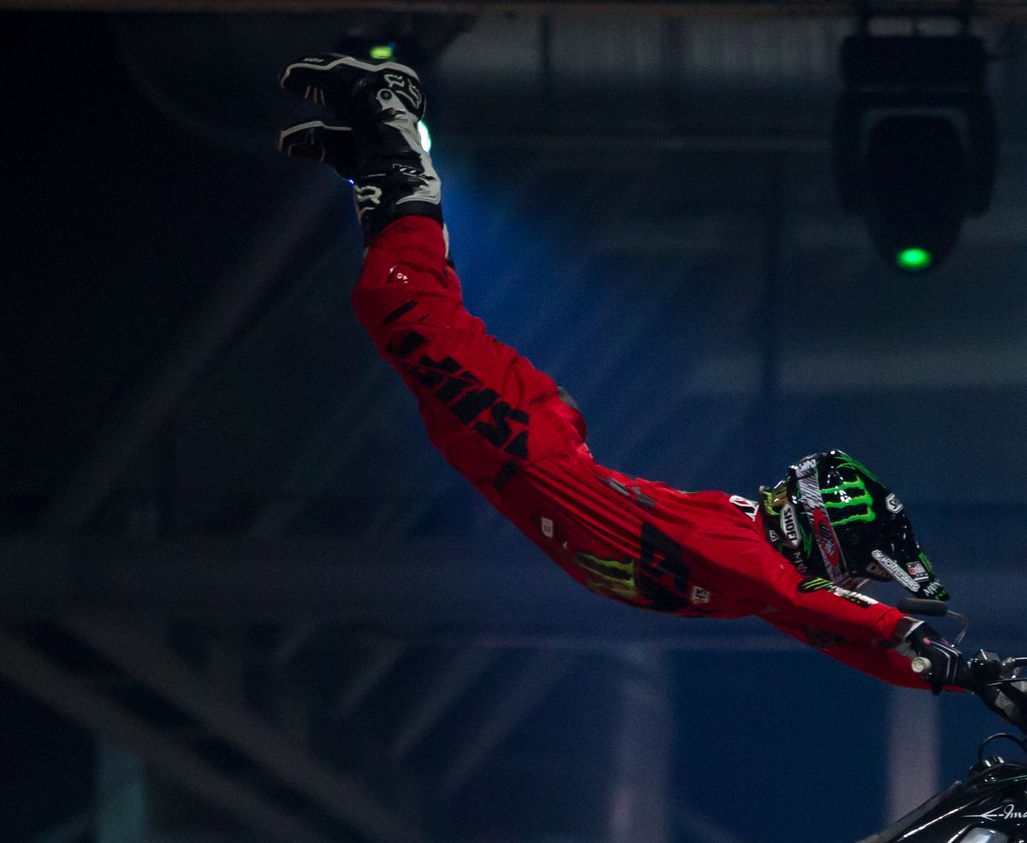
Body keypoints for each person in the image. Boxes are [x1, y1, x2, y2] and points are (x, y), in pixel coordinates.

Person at [277, 53, 947, 685]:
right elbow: (815, 605)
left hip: (510, 460)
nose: (852, 583)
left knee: (416, 312)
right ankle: (391, 117)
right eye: (857, 568)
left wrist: (954, 676)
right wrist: (901, 628)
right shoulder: (740, 549)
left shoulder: (750, 581)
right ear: (826, 531)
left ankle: (378, 170)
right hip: (527, 447)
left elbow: (828, 633)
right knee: (398, 306)